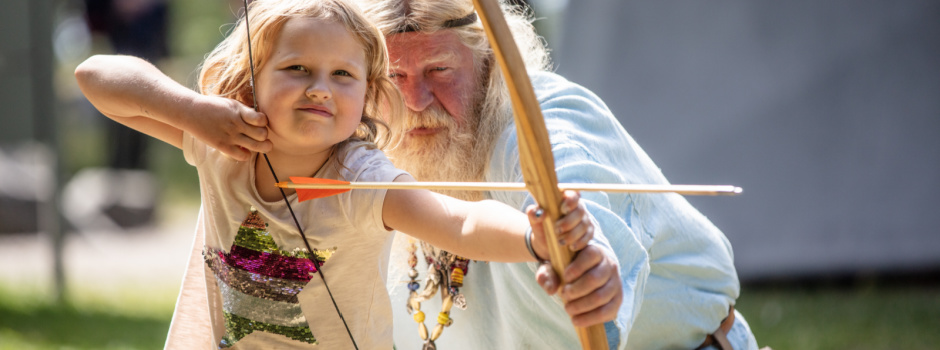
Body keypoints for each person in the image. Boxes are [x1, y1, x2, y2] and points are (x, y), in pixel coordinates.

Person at [73, 0, 597, 348]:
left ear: (368, 98)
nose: (319, 87)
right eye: (296, 68)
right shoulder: (226, 145)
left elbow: (458, 223)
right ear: (251, 81)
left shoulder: (361, 179)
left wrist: (537, 234)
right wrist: (192, 111)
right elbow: (95, 77)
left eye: (342, 75)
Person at [352, 0, 763, 349]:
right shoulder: (374, 149)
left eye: (438, 70)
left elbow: (572, 188)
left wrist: (590, 264)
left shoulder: (543, 118)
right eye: (394, 78)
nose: (416, 102)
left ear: (490, 63)